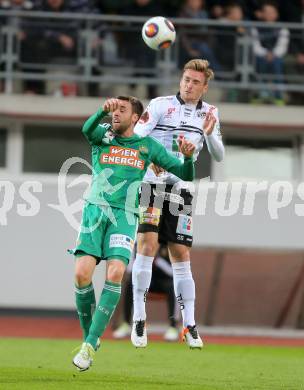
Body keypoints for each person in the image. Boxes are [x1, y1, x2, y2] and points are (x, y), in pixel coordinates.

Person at [72, 96, 196, 371]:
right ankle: (88, 336)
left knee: (115, 273)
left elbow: (185, 173)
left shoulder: (147, 146)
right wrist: (100, 111)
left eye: (121, 111)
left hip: (125, 217)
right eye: (114, 110)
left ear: (136, 119)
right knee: (81, 276)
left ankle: (90, 344)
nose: (115, 114)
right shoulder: (103, 136)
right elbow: (86, 130)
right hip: (94, 213)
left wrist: (187, 157)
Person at [131, 59, 225, 349]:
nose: (189, 84)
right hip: (151, 183)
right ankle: (139, 319)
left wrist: (209, 134)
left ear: (205, 87)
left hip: (181, 188)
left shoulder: (211, 113)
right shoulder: (160, 104)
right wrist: (153, 158)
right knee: (146, 245)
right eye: (186, 79)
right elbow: (137, 138)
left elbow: (219, 155)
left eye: (196, 82)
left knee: (181, 254)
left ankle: (190, 325)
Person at [113, 245, 179, 342]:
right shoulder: (139, 243)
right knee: (130, 284)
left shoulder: (167, 245)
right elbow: (130, 270)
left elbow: (173, 272)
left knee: (172, 286)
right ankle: (126, 324)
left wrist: (156, 260)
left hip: (161, 281)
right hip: (145, 280)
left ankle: (173, 327)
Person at [251, 1, 290, 104]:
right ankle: (261, 94)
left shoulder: (283, 28)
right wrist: (266, 54)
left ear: (276, 14)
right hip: (261, 56)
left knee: (277, 63)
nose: (269, 14)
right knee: (259, 62)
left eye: (272, 12)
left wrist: (273, 54)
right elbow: (256, 47)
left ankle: (279, 96)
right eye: (266, 12)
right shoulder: (256, 28)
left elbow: (282, 46)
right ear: (262, 14)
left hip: (276, 56)